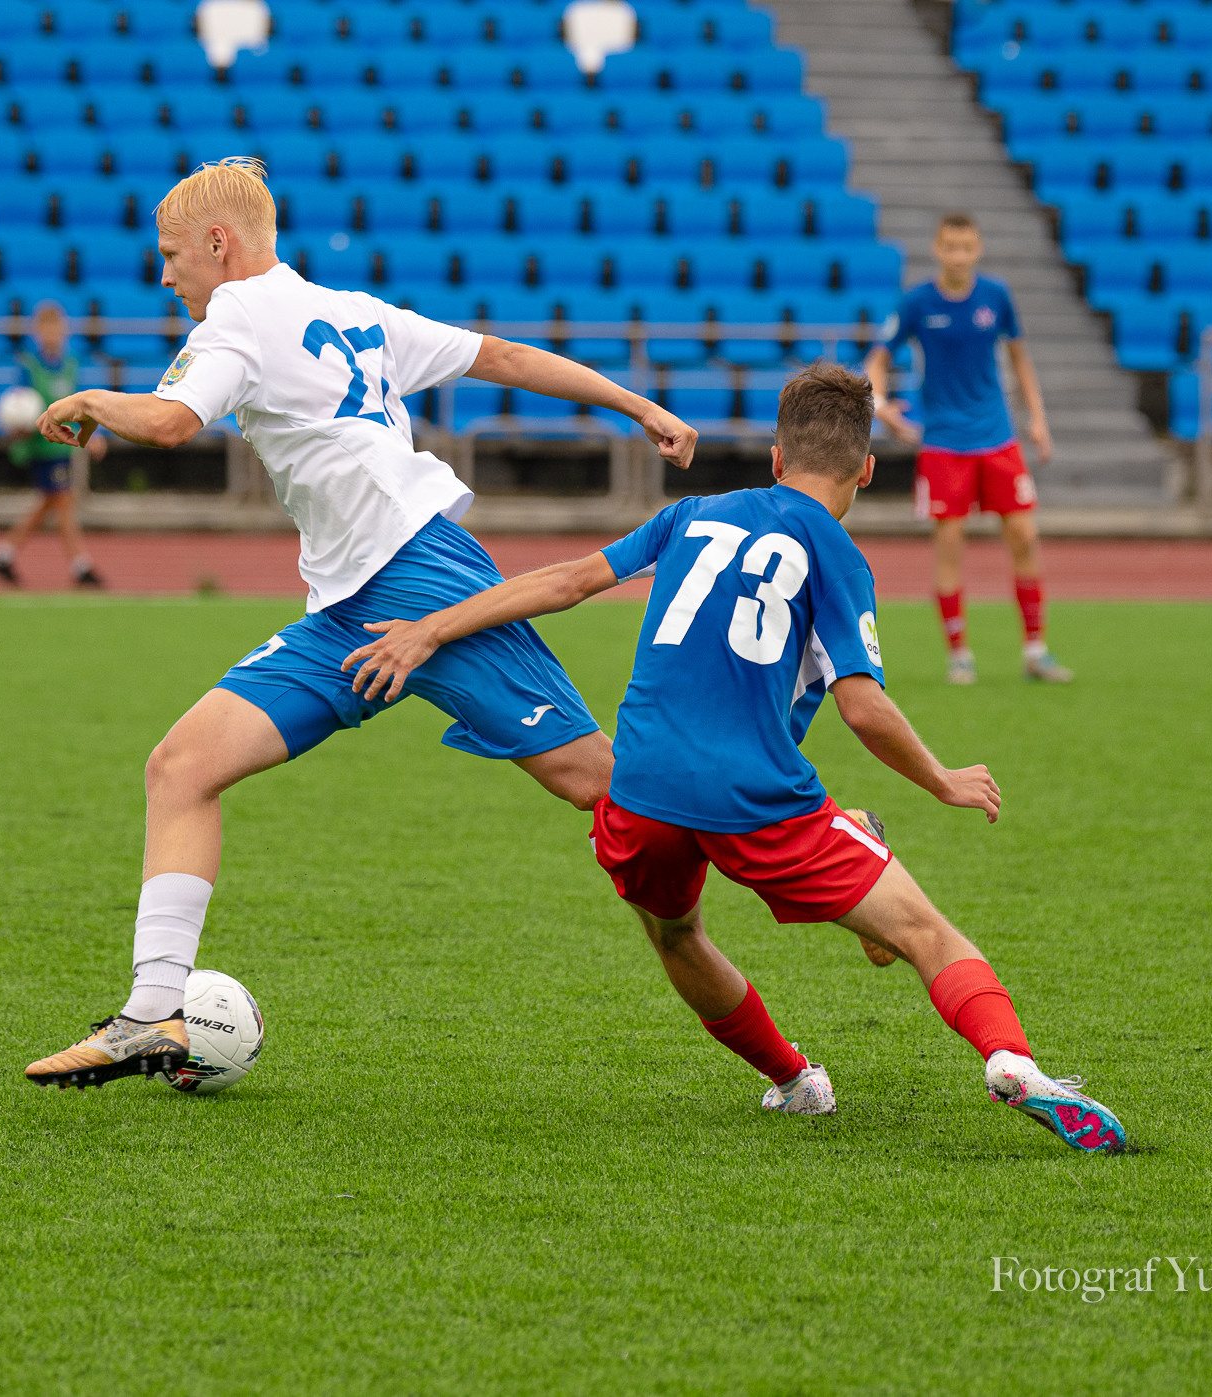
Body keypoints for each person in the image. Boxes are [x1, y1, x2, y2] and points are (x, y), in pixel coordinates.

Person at [19, 158, 698, 1088]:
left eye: (172, 254)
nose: (164, 274)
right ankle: (150, 1015)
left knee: (604, 784)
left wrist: (93, 399)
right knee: (183, 766)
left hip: (423, 579)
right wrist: (637, 403)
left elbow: (174, 422)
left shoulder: (237, 317)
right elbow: (501, 356)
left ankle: (811, 838)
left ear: (220, 244)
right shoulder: (355, 310)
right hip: (344, 608)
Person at [340, 364, 1126, 1153]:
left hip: (640, 791)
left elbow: (568, 581)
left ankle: (794, 1080)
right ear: (867, 470)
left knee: (676, 932)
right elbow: (863, 704)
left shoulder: (691, 514)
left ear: (776, 459)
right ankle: (1012, 1059)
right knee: (927, 933)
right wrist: (942, 777)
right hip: (759, 799)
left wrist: (433, 627)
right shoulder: (840, 554)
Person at [864, 213, 1072, 685]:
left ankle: (1035, 649)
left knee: (1024, 537)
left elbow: (1020, 360)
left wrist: (1037, 420)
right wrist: (881, 405)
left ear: (977, 249)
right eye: (950, 246)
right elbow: (878, 356)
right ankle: (959, 654)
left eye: (967, 246)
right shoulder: (917, 303)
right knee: (950, 545)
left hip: (997, 437)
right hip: (943, 443)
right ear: (938, 249)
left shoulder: (996, 296)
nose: (958, 254)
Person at [0, 301, 108, 588]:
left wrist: (92, 435)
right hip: (41, 446)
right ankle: (81, 565)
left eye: (57, 328)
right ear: (37, 332)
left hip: (61, 445)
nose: (53, 334)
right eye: (47, 329)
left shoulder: (70, 364)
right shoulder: (29, 366)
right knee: (63, 501)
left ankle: (3, 555)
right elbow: (20, 406)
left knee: (51, 502)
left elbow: (78, 405)